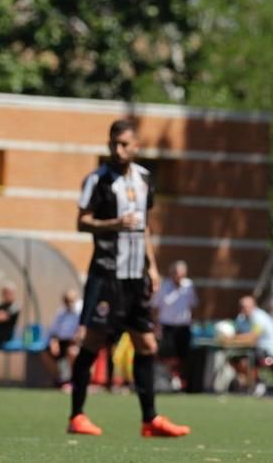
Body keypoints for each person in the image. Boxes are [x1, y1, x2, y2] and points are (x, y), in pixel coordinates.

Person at [67, 118, 190, 438]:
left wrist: (151, 266)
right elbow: (82, 223)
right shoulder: (97, 180)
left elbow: (144, 226)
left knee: (147, 345)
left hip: (136, 276)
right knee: (93, 342)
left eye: (124, 144)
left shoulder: (145, 179)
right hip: (107, 274)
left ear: (137, 146)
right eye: (113, 144)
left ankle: (150, 420)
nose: (118, 150)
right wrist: (115, 223)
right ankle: (77, 415)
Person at [152, 260, 198, 391]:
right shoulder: (164, 287)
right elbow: (155, 307)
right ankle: (170, 378)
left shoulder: (188, 286)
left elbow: (193, 305)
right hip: (167, 327)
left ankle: (182, 382)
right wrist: (156, 325)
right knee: (167, 355)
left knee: (184, 355)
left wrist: (193, 321)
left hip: (183, 326)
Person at [228, 295, 273, 397]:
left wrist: (233, 338)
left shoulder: (258, 317)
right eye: (241, 306)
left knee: (248, 360)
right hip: (252, 348)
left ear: (253, 306)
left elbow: (253, 336)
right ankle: (250, 382)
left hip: (268, 349)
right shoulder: (241, 318)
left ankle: (258, 383)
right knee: (234, 358)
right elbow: (238, 332)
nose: (243, 309)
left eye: (246, 307)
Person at [41, 289, 82, 387]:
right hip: (61, 341)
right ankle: (62, 379)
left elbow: (81, 330)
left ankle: (74, 380)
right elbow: (54, 331)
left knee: (72, 353)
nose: (69, 303)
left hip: (74, 342)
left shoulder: (80, 313)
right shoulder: (60, 313)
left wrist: (75, 341)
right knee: (46, 352)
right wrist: (54, 343)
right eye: (66, 300)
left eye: (71, 300)